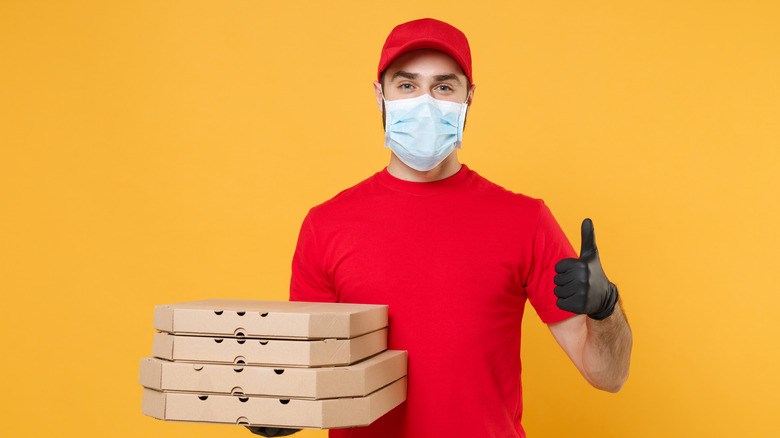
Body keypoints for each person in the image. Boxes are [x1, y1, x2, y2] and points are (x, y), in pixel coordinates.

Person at [249, 17, 632, 438]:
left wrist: (606, 308)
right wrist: (282, 408)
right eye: (407, 85)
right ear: (380, 96)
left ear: (469, 98)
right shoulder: (326, 226)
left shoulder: (526, 220)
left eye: (444, 87)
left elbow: (608, 376)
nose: (425, 103)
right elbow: (314, 373)